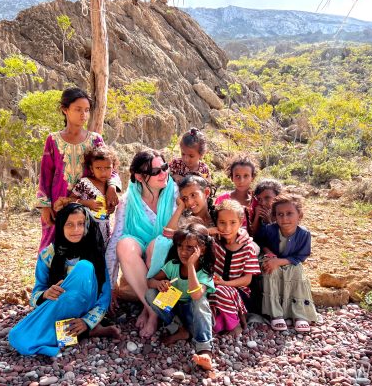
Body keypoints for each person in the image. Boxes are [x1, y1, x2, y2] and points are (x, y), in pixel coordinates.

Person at [8, 204, 119, 357]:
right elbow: (35, 296)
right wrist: (46, 294)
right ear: (61, 226)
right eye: (69, 224)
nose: (76, 230)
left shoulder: (95, 254)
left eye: (81, 224)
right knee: (16, 336)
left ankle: (85, 329)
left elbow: (104, 298)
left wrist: (86, 321)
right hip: (60, 307)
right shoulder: (48, 255)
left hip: (85, 309)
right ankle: (83, 333)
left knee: (84, 267)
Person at [36, 87, 121, 252]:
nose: (84, 114)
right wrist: (45, 206)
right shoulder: (52, 140)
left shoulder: (95, 139)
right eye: (78, 109)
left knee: (88, 248)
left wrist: (111, 187)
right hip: (58, 204)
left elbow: (110, 167)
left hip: (89, 207)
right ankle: (49, 279)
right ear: (65, 110)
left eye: (87, 110)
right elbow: (45, 176)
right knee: (52, 248)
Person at [107, 150, 178, 338]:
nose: (163, 174)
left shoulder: (175, 193)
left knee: (157, 244)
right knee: (124, 245)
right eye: (156, 172)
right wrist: (111, 284)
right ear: (139, 176)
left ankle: (149, 311)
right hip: (138, 251)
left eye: (164, 168)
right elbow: (115, 239)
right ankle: (153, 310)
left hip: (168, 258)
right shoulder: (128, 202)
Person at [146, 223, 216, 370]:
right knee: (150, 294)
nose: (183, 252)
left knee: (199, 301)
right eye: (180, 246)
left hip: (195, 317)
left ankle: (204, 349)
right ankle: (179, 329)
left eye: (190, 247)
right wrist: (159, 284)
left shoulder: (204, 273)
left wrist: (191, 266)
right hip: (176, 314)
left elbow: (196, 294)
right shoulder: (173, 266)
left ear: (201, 250)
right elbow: (150, 282)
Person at [257, 194, 317, 332]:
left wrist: (280, 261)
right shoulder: (269, 230)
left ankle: (299, 314)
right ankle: (275, 313)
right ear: (275, 216)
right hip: (271, 259)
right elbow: (260, 243)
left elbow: (301, 256)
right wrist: (269, 253)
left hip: (290, 262)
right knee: (270, 269)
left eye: (289, 213)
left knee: (297, 270)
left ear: (299, 215)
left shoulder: (304, 234)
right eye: (280, 214)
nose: (284, 218)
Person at [209, 200, 260, 335]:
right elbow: (191, 238)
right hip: (216, 287)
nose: (227, 228)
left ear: (240, 222)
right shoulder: (215, 243)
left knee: (219, 291)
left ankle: (235, 326)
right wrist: (209, 231)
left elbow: (247, 280)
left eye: (233, 223)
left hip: (239, 293)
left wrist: (225, 283)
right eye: (222, 223)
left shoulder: (247, 248)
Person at [214, 156, 258, 228]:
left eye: (246, 176)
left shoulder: (256, 202)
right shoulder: (222, 199)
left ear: (252, 178)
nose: (241, 181)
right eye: (237, 176)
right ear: (232, 177)